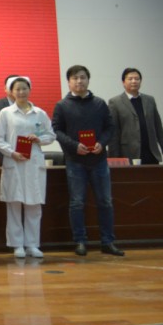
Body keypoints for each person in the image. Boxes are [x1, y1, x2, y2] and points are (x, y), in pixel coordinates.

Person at [52, 64, 124, 257]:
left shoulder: (99, 104)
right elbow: (57, 131)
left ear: (88, 80)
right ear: (68, 82)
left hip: (99, 160)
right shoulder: (62, 106)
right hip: (75, 161)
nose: (79, 81)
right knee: (77, 202)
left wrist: (102, 143)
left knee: (105, 202)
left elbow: (110, 127)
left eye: (82, 77)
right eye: (75, 78)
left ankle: (107, 242)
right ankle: (80, 241)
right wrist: (74, 146)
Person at [0, 77, 55, 259]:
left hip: (33, 163)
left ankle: (32, 244)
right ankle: (17, 245)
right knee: (14, 203)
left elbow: (51, 135)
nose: (21, 92)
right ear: (11, 92)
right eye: (17, 89)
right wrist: (11, 153)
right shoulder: (6, 113)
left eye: (24, 88)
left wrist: (39, 139)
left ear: (30, 90)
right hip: (14, 162)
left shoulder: (39, 113)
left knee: (34, 204)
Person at [108, 68, 163, 165]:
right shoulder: (115, 102)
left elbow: (158, 127)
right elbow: (114, 133)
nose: (134, 81)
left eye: (137, 79)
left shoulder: (150, 100)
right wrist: (114, 158)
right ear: (123, 82)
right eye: (130, 79)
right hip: (128, 153)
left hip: (151, 152)